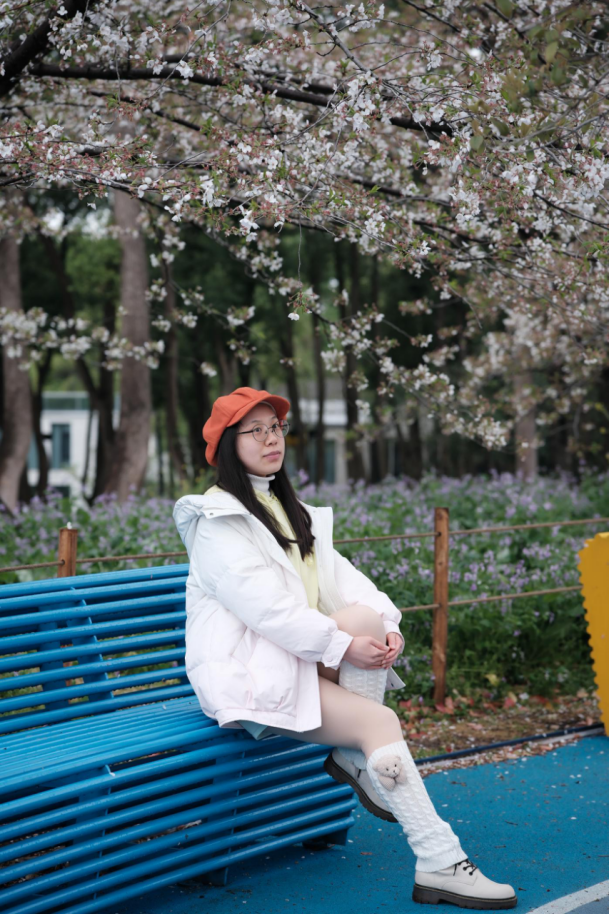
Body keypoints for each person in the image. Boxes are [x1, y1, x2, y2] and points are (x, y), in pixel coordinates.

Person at [173, 386, 517, 910]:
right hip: (251, 674)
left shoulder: (290, 511)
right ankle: (440, 861)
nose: (271, 439)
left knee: (365, 617)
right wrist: (341, 646)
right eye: (255, 431)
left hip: (294, 660)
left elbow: (347, 581)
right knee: (380, 723)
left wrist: (388, 625)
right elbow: (269, 611)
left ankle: (355, 756)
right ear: (227, 445)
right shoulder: (218, 524)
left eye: (276, 427)